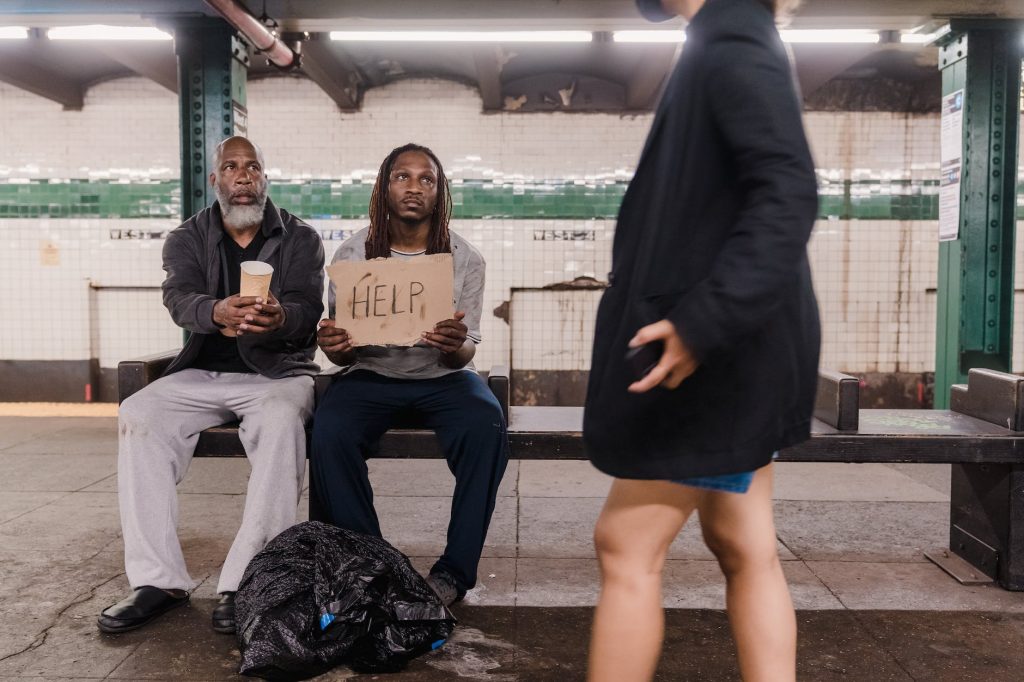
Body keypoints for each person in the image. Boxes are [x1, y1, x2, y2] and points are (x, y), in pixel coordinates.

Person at [584, 0, 819, 680]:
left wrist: (701, 323)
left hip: (714, 360)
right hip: (741, 348)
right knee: (743, 542)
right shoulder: (725, 36)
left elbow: (788, 190)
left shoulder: (733, 34)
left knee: (625, 546)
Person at [97, 136, 325, 635]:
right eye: (231, 167)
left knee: (284, 421)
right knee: (140, 414)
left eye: (253, 167)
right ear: (216, 179)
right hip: (203, 370)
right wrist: (215, 311)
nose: (243, 176)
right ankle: (158, 581)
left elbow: (310, 308)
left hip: (276, 374)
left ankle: (249, 581)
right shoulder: (186, 237)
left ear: (264, 178)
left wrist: (281, 317)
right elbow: (179, 297)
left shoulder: (300, 237)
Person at [311, 143, 509, 607]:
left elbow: (465, 353)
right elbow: (342, 351)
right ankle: (374, 565)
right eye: (403, 176)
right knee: (329, 432)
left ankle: (453, 573)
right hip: (371, 373)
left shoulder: (466, 259)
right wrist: (332, 347)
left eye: (427, 179)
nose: (414, 187)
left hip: (442, 377)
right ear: (384, 187)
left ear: (440, 193)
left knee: (488, 424)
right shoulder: (354, 252)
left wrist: (455, 343)